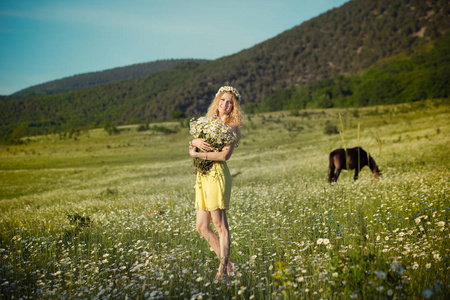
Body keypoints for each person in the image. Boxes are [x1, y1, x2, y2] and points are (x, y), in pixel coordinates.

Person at [189, 86, 243, 280]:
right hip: (203, 175)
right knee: (201, 227)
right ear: (217, 102)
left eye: (229, 102)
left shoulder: (232, 126)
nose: (225, 105)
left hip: (217, 175)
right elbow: (193, 146)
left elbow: (224, 155)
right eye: (222, 100)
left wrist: (198, 153)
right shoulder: (208, 122)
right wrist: (195, 141)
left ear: (233, 106)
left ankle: (222, 271)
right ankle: (229, 265)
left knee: (220, 225)